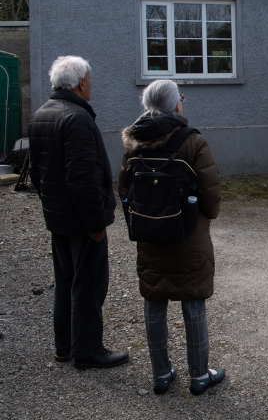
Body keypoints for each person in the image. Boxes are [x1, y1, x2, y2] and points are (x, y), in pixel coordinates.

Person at [118, 79, 224, 396]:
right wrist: (206, 215)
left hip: (150, 232)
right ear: (174, 104)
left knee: (155, 299)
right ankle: (199, 375)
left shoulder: (134, 142)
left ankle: (162, 374)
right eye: (180, 96)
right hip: (187, 233)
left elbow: (124, 188)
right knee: (192, 300)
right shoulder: (192, 141)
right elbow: (210, 191)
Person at [28, 56, 129, 369]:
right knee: (87, 285)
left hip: (57, 218)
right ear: (81, 82)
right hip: (81, 221)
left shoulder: (42, 114)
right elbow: (82, 176)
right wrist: (96, 222)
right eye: (89, 79)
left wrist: (50, 207)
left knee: (66, 282)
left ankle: (65, 347)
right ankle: (87, 351)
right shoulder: (77, 118)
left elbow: (36, 172)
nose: (91, 85)